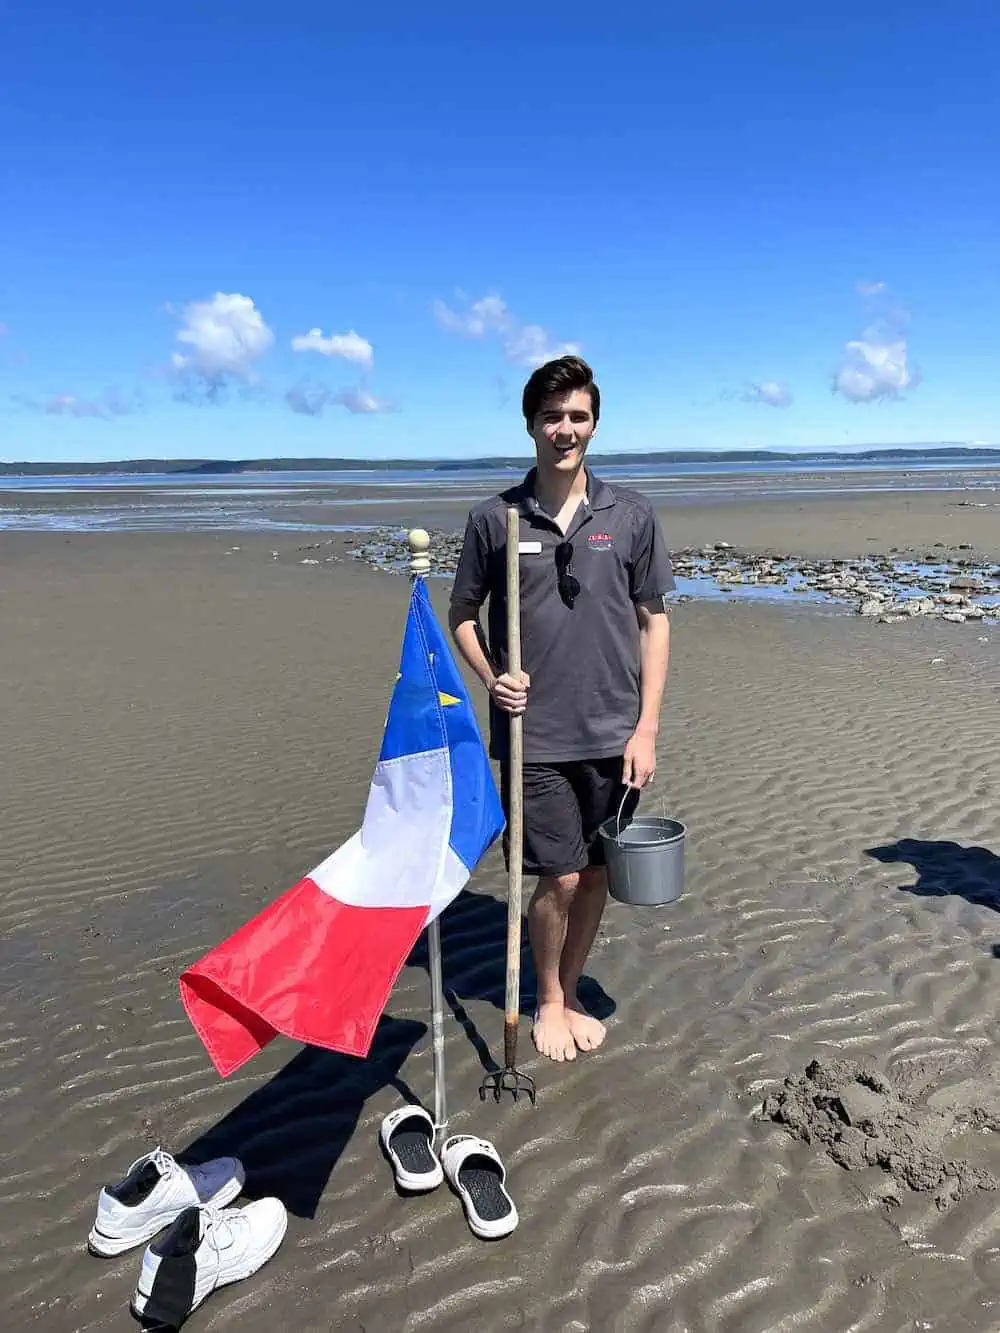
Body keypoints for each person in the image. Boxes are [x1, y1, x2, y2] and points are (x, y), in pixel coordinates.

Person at [448, 354, 674, 1062]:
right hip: (533, 733)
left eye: (577, 416)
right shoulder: (495, 519)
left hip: (615, 730)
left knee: (600, 871)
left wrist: (647, 727)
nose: (565, 429)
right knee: (560, 874)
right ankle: (546, 995)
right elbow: (460, 615)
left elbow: (654, 620)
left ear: (594, 424)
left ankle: (572, 991)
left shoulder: (630, 514)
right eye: (552, 417)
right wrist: (492, 675)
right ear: (530, 425)